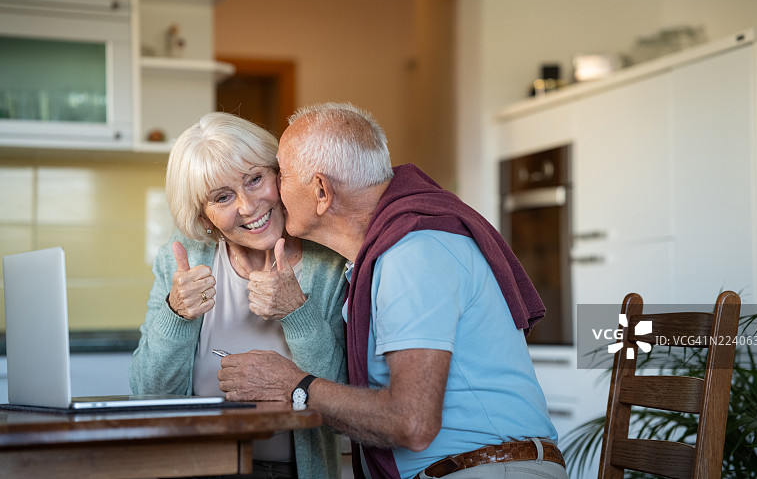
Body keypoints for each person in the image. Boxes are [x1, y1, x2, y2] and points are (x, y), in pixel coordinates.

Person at [217, 102, 568, 479]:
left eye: (281, 175)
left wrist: (292, 385)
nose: (274, 192)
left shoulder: (413, 254)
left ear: (321, 190)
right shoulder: (385, 256)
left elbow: (411, 422)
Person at [129, 112, 349, 479]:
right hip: (198, 468)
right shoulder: (182, 257)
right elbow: (147, 398)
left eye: (255, 179)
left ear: (279, 174)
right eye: (223, 197)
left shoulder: (328, 264)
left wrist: (297, 312)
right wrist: (176, 315)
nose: (248, 207)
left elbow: (343, 407)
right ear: (204, 218)